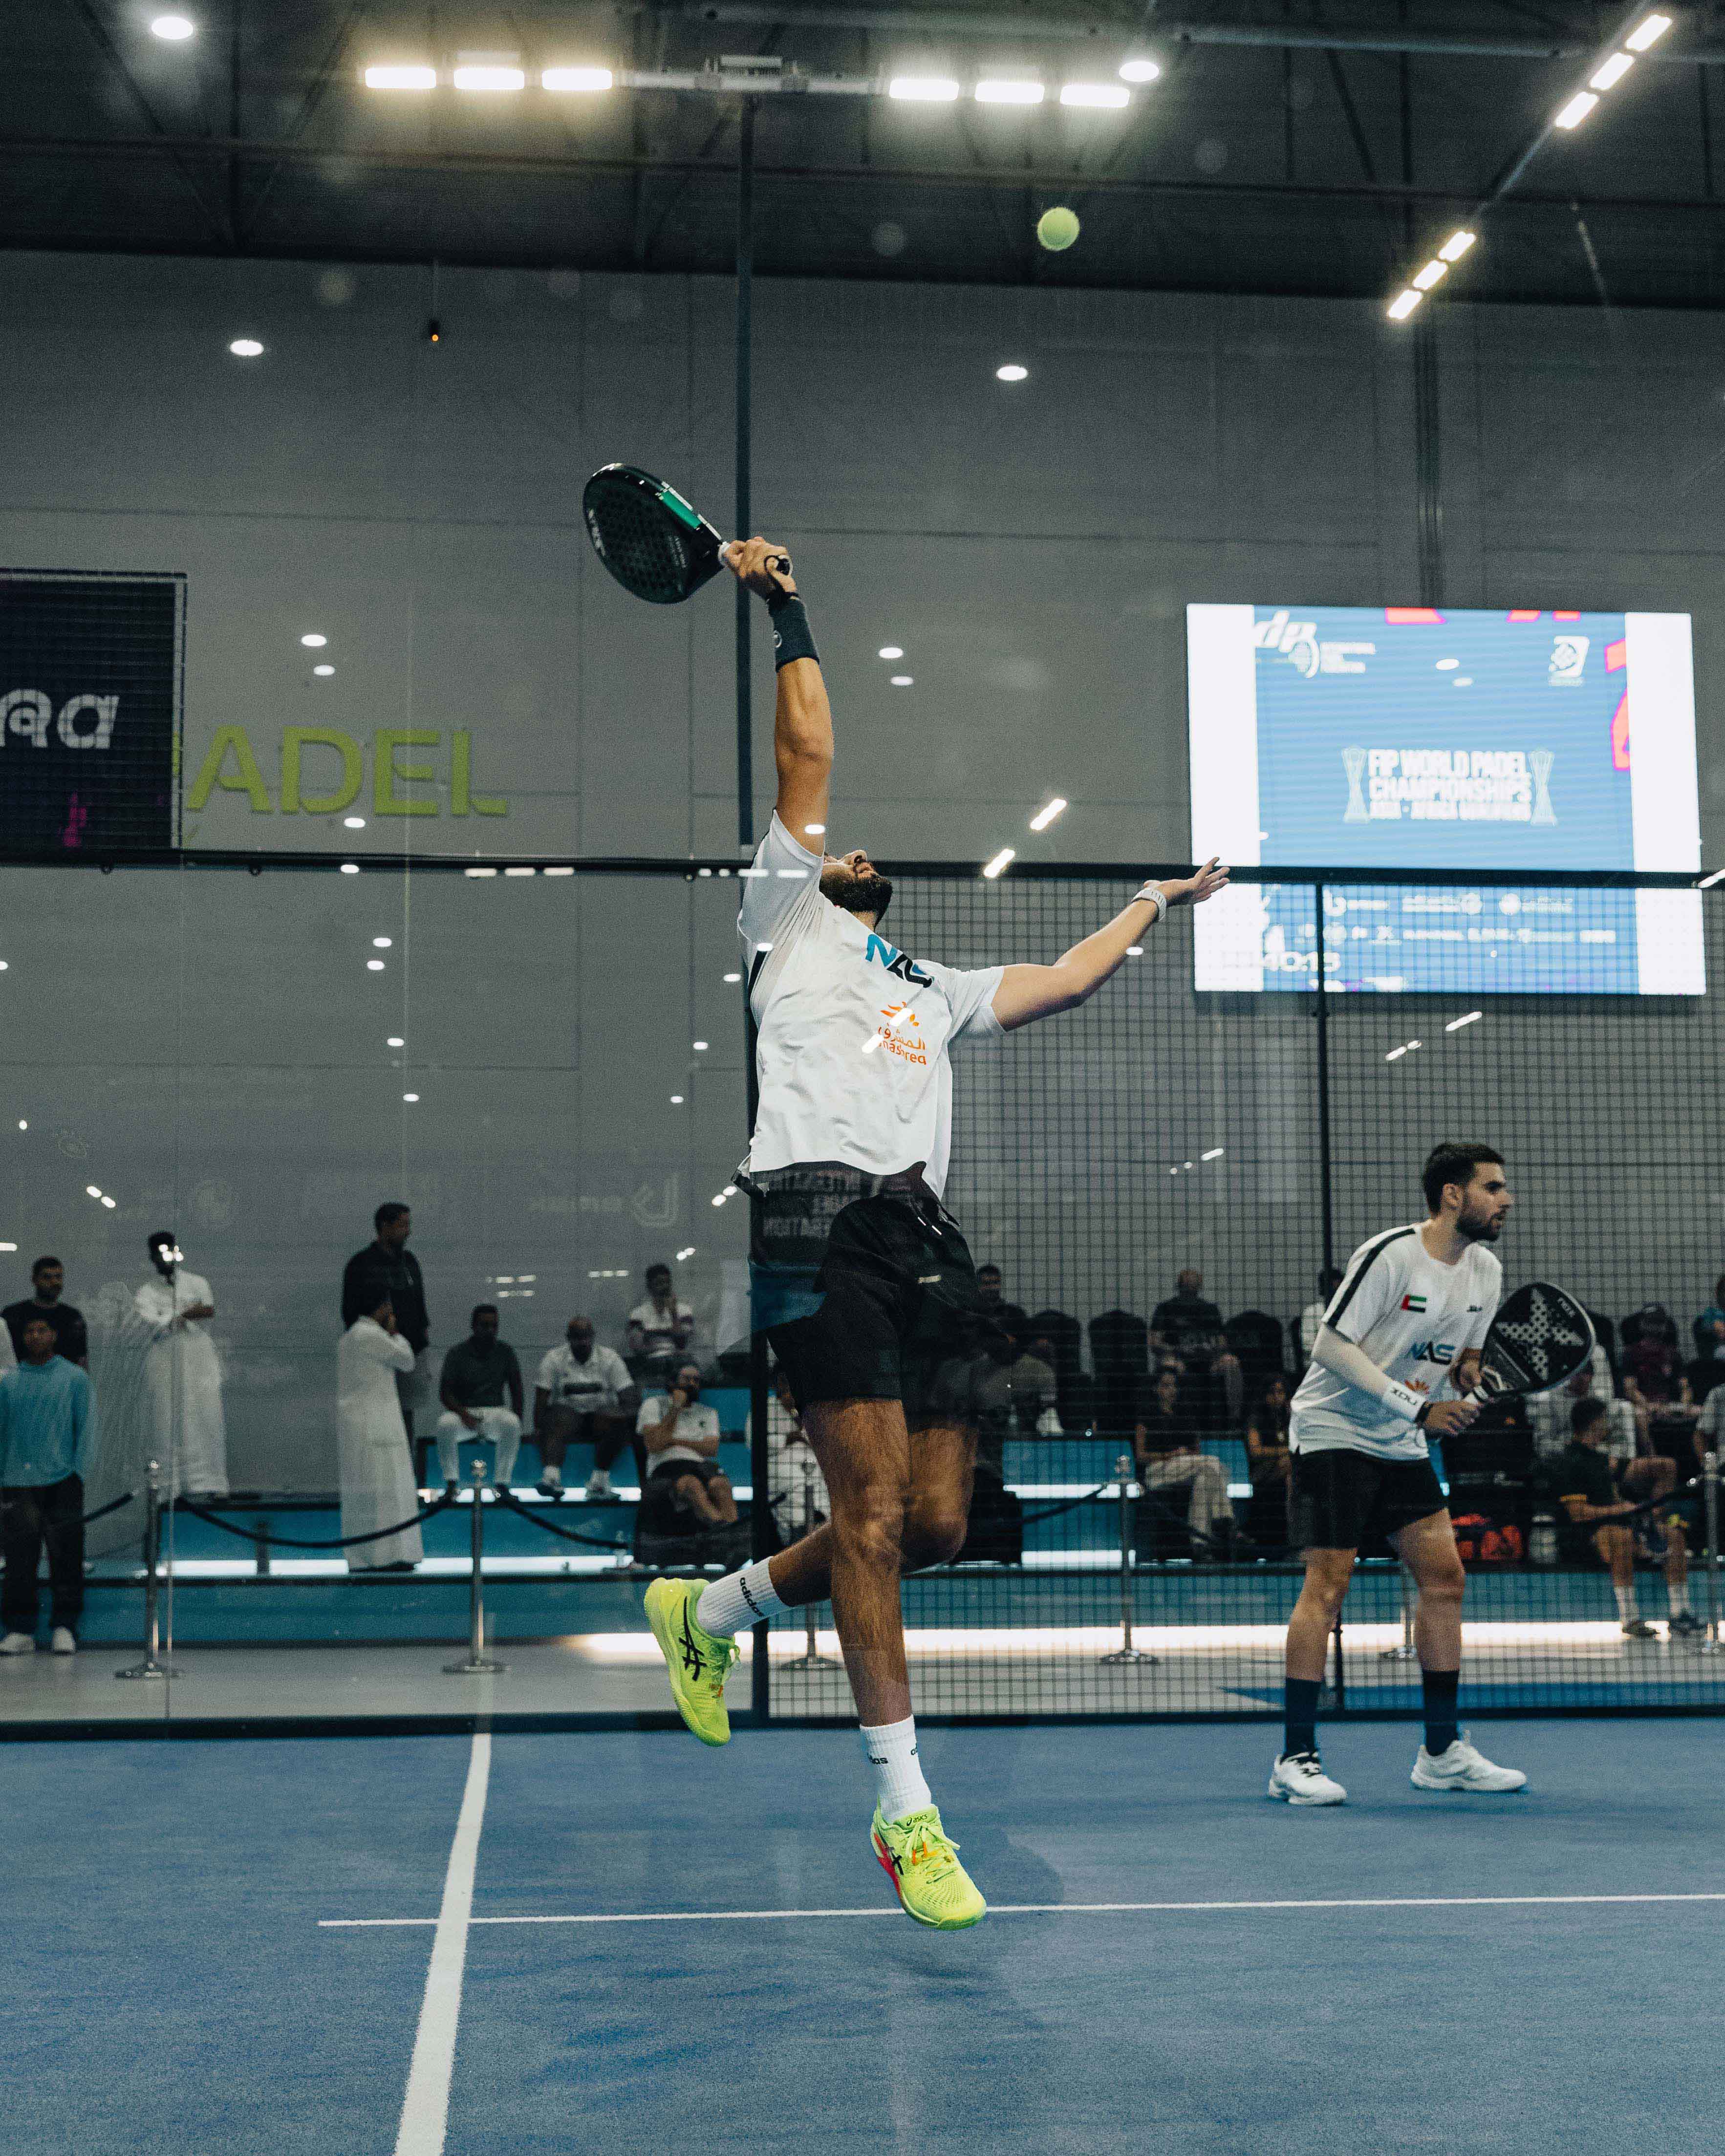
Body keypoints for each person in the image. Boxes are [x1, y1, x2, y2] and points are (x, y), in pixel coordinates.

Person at [641, 531, 1228, 1929]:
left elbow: (1066, 980)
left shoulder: (934, 982)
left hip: (928, 1243)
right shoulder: (782, 919)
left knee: (942, 1524)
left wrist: (1154, 900)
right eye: (837, 846)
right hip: (813, 1221)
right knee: (867, 1515)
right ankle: (905, 1811)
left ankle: (709, 1611)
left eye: (860, 853)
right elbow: (807, 754)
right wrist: (785, 609)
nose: (849, 847)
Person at [1269, 1141, 1526, 1807]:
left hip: (1399, 1441)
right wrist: (1418, 1407)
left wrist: (1466, 1377)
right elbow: (1329, 1345)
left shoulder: (1486, 1270)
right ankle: (1294, 1757)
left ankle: (1440, 1753)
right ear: (1451, 1195)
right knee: (1327, 1585)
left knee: (1444, 1579)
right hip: (1332, 1432)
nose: (1506, 1199)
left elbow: (1464, 1358)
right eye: (1492, 1187)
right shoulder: (1390, 1255)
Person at [1552, 1397, 1697, 1639]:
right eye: (1605, 1419)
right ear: (1595, 1423)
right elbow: (1577, 1514)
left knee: (1674, 1535)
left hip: (1623, 1524)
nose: (1609, 1424)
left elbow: (1641, 1469)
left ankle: (1680, 1614)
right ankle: (1630, 1619)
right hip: (1585, 1535)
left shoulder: (1601, 1459)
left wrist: (1661, 1471)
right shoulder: (1570, 1462)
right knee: (1621, 1537)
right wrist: (1620, 1510)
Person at [0, 1313, 95, 1654]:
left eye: (42, 1330)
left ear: (54, 1336)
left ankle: (65, 1626)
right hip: (17, 1483)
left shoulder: (74, 1378)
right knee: (19, 1561)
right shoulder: (8, 1382)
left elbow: (86, 1427)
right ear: (22, 1338)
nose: (36, 1336)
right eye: (30, 1330)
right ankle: (20, 1630)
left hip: (63, 1481)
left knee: (66, 1557)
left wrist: (78, 1472)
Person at [335, 1283, 423, 1573]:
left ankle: (365, 1556)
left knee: (365, 1493)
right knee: (388, 1492)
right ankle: (389, 1555)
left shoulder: (350, 1337)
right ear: (383, 1308)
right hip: (379, 1424)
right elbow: (407, 1360)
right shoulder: (372, 1336)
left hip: (360, 1425)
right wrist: (396, 1333)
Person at [134, 1232, 228, 1500]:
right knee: (165, 1419)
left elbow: (207, 1310)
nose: (165, 1258)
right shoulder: (146, 1291)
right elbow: (151, 1323)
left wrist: (173, 1315)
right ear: (152, 1257)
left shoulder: (197, 1282)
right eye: (159, 1253)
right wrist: (185, 1313)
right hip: (165, 1361)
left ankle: (209, 1481)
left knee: (205, 1416)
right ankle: (169, 1486)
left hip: (198, 1361)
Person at [342, 1204, 430, 1467]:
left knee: (406, 1414)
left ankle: (406, 1470)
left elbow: (420, 1304)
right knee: (378, 1412)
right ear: (385, 1226)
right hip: (375, 1355)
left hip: (410, 1350)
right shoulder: (361, 1264)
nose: (408, 1231)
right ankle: (376, 1469)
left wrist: (422, 1338)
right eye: (402, 1225)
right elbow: (350, 1314)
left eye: (408, 1225)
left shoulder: (409, 1262)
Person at [1134, 1364, 1234, 1555]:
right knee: (1213, 1464)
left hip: (1187, 1467)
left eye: (1173, 1386)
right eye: (1166, 1386)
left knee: (1204, 1478)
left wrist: (1185, 1455)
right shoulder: (1146, 1417)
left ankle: (1199, 1544)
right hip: (1157, 1470)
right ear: (1156, 1389)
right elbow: (1140, 1456)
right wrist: (1169, 1455)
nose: (1171, 1390)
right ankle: (1224, 1519)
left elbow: (1197, 1451)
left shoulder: (1186, 1416)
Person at [533, 1315, 637, 1498]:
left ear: (593, 1336)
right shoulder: (554, 1359)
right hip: (566, 1419)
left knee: (616, 1421)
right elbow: (541, 1399)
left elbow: (629, 1399)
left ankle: (599, 1483)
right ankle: (551, 1479)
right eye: (577, 1337)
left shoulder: (610, 1358)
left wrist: (617, 1417)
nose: (583, 1342)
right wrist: (538, 1429)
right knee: (556, 1416)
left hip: (601, 1419)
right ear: (568, 1338)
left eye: (586, 1337)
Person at [434, 1305, 523, 1493]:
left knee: (512, 1423)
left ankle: (502, 1484)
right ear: (474, 1326)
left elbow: (517, 1391)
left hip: (495, 1411)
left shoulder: (506, 1352)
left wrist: (519, 1420)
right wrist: (463, 1414)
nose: (490, 1330)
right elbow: (445, 1394)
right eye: (485, 1325)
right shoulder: (457, 1353)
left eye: (494, 1326)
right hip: (463, 1412)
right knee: (445, 1424)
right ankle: (451, 1484)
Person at [639, 1361, 736, 1527]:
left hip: (700, 1464)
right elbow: (655, 1444)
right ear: (673, 1382)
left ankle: (734, 1529)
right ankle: (721, 1528)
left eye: (696, 1381)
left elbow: (711, 1449)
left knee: (720, 1485)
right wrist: (676, 1407)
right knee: (692, 1484)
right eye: (686, 1379)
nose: (692, 1384)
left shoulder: (708, 1412)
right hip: (666, 1464)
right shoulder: (654, 1405)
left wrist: (674, 1441)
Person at [1150, 1267, 1243, 1423]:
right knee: (1169, 1365)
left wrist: (1213, 1351)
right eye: (1187, 1288)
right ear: (1180, 1287)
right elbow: (1154, 1343)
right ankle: (1169, 1418)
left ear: (1199, 1288)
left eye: (1193, 1288)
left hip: (1208, 1361)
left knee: (1231, 1362)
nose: (1190, 1292)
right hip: (1177, 1359)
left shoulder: (1210, 1309)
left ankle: (1234, 1420)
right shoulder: (1165, 1309)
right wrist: (1175, 1351)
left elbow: (1222, 1342)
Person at [3, 1256, 88, 1368]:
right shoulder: (13, 1315)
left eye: (58, 1277)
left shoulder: (72, 1318)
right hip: (21, 1377)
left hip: (63, 1378)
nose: (54, 1282)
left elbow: (81, 1359)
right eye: (47, 1277)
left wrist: (80, 1378)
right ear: (35, 1280)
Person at [1245, 1370, 1293, 1548]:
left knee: (1291, 1470)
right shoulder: (1256, 1419)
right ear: (1265, 1395)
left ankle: (1293, 1534)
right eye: (1273, 1392)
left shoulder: (1289, 1418)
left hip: (1288, 1470)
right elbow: (1256, 1451)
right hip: (1262, 1473)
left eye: (1281, 1392)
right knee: (1289, 1465)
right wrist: (1284, 1451)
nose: (1277, 1397)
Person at [625, 1264, 694, 1380]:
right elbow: (638, 1348)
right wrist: (662, 1350)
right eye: (660, 1283)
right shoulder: (638, 1315)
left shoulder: (684, 1311)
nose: (665, 1287)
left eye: (668, 1283)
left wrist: (674, 1314)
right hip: (650, 1365)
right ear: (650, 1287)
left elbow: (682, 1344)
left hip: (680, 1364)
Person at [1297, 1268, 1344, 1363]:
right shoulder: (1312, 1312)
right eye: (1333, 1287)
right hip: (1319, 1363)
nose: (1335, 1291)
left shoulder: (1347, 1311)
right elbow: (1308, 1345)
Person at [974, 1264, 1029, 1342]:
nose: (992, 1288)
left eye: (995, 1283)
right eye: (987, 1284)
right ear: (978, 1286)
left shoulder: (1015, 1314)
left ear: (1000, 1284)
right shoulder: (972, 1313)